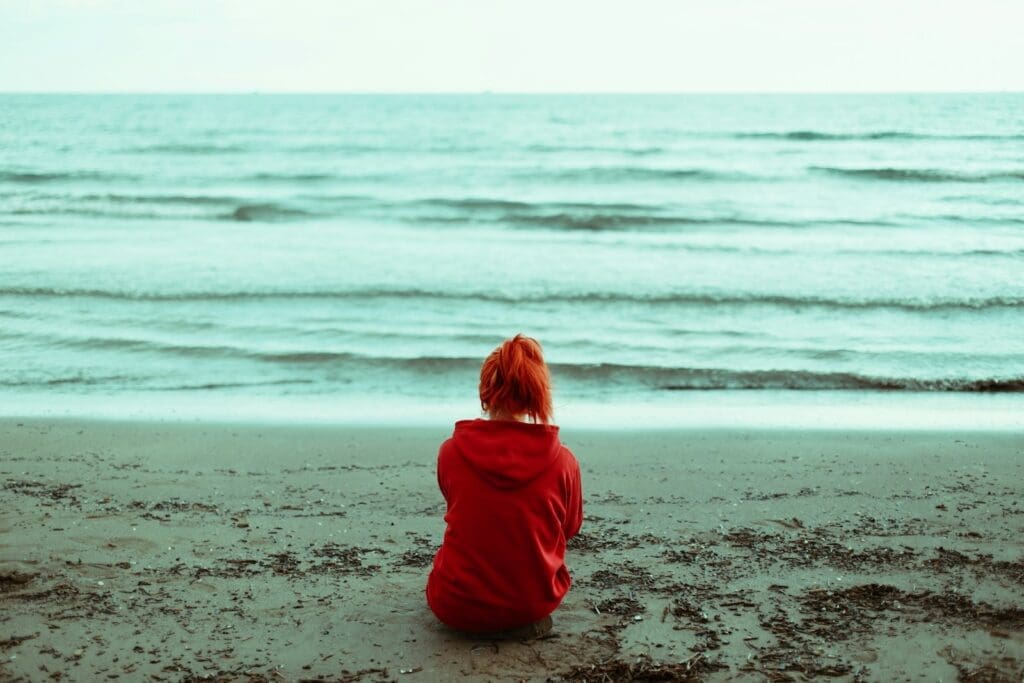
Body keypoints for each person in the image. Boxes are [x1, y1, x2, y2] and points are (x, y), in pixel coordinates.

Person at [426, 334, 583, 639]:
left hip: (455, 606)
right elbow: (570, 527)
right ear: (537, 395)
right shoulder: (564, 462)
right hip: (532, 605)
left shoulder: (450, 452)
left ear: (485, 392)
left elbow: (461, 507)